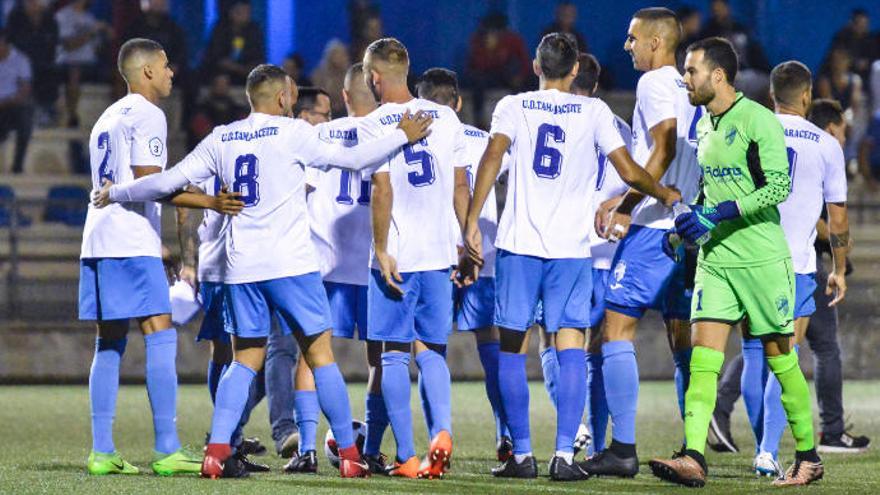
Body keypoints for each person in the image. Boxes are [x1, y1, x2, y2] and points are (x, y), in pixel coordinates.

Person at [93, 63, 432, 479]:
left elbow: (167, 183)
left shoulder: (222, 137)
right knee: (320, 356)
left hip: (241, 268)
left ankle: (217, 453)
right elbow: (354, 158)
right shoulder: (294, 133)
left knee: (244, 359)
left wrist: (116, 191)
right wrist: (403, 134)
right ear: (283, 98)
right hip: (291, 264)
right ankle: (348, 454)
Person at [464, 32, 680, 481]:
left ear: (536, 67)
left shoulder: (513, 105)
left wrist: (470, 221)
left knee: (511, 348)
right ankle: (564, 455)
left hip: (518, 245)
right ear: (576, 69)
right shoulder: (595, 111)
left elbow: (490, 159)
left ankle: (521, 455)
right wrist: (662, 191)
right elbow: (627, 171)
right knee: (570, 347)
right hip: (571, 250)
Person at [649, 37, 823, 488]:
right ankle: (693, 455)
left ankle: (808, 456)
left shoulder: (758, 120)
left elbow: (778, 187)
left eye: (691, 71)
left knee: (781, 361)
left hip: (762, 260)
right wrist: (687, 223)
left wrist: (723, 211)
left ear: (718, 76)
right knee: (703, 359)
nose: (685, 79)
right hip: (717, 260)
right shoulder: (702, 124)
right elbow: (710, 189)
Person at [79, 38, 243, 476]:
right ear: (148, 71)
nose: (172, 73)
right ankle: (168, 449)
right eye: (167, 66)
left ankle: (101, 450)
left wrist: (159, 242)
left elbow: (127, 184)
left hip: (99, 239)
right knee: (159, 330)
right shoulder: (149, 114)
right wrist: (209, 201)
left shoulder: (107, 116)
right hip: (129, 241)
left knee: (109, 340)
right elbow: (151, 183)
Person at [710, 98, 870, 457]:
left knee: (755, 351)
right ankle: (770, 450)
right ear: (806, 96)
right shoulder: (823, 145)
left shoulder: (753, 128)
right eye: (842, 134)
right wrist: (840, 267)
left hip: (752, 253)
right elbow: (833, 213)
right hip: (797, 261)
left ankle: (728, 421)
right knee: (789, 353)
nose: (842, 140)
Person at [585, 7, 699, 478]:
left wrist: (628, 204)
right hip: (688, 228)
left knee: (614, 329)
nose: (628, 46)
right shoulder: (692, 86)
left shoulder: (654, 83)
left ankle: (623, 448)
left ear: (656, 42)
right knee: (683, 340)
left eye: (633, 39)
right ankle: (694, 445)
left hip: (655, 227)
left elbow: (665, 145)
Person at [360, 37, 471, 479]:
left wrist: (382, 248)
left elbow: (381, 188)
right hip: (441, 252)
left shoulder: (374, 123)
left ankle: (406, 455)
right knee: (431, 349)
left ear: (374, 78)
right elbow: (461, 186)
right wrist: (468, 237)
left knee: (391, 353)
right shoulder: (447, 118)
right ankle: (441, 431)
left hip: (399, 254)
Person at [287, 64, 391, 475]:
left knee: (311, 354)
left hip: (323, 264)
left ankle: (308, 449)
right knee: (381, 358)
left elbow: (301, 193)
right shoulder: (389, 133)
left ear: (345, 97)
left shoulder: (318, 135)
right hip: (374, 264)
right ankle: (374, 449)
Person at [416, 66, 513, 464]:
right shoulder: (484, 141)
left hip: (433, 255)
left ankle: (438, 437)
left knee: (427, 348)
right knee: (490, 347)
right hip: (481, 257)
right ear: (457, 102)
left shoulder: (413, 136)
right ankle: (506, 436)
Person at [175, 178, 270, 474]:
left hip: (230, 265)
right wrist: (189, 261)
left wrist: (191, 261)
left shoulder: (217, 148)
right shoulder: (222, 151)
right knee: (245, 357)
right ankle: (227, 439)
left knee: (234, 355)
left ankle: (228, 437)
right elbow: (183, 206)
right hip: (235, 266)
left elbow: (183, 207)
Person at [465, 12, 531, 127]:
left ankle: (522, 116)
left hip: (507, 75)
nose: (493, 33)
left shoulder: (513, 39)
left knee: (527, 80)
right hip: (486, 76)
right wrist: (490, 50)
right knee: (477, 82)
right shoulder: (478, 40)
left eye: (497, 31)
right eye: (490, 30)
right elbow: (478, 65)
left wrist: (520, 76)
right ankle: (479, 119)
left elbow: (525, 62)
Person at [55, 0, 113, 128]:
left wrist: (107, 35)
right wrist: (91, 33)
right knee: (74, 72)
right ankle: (72, 116)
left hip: (90, 64)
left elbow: (96, 49)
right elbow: (69, 46)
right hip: (66, 64)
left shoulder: (90, 18)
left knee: (118, 73)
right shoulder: (62, 16)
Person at [6, 0, 59, 126]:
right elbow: (12, 44)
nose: (33, 4)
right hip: (18, 62)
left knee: (50, 72)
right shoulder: (15, 17)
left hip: (42, 62)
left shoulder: (50, 20)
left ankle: (45, 111)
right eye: (30, 2)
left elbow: (52, 45)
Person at [202, 1, 265, 85]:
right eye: (241, 12)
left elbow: (258, 54)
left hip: (246, 71)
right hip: (221, 71)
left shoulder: (254, 30)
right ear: (231, 13)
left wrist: (248, 68)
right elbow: (216, 56)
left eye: (248, 12)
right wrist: (236, 67)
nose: (245, 15)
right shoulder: (220, 29)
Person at [0, 29, 34, 174]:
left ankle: (17, 165)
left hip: (11, 105)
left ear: (6, 45)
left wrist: (6, 102)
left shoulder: (21, 60)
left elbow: (24, 91)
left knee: (25, 118)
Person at [188, 74, 247, 146]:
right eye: (219, 84)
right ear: (212, 86)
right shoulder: (202, 109)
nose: (222, 87)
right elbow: (201, 130)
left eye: (224, 84)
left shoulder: (236, 109)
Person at [310, 40, 351, 118]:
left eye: (340, 54)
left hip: (345, 111)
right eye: (335, 54)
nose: (337, 57)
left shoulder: (349, 74)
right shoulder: (319, 74)